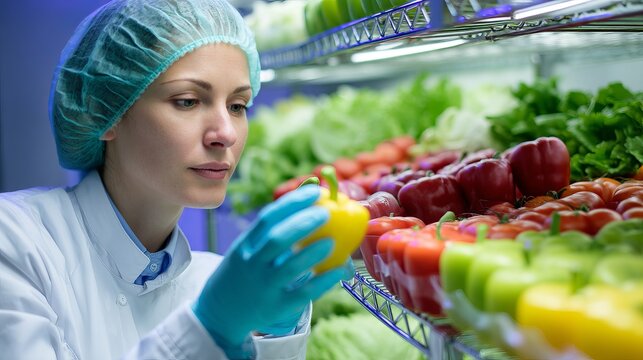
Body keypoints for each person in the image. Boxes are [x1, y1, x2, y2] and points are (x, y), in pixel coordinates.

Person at [0, 0, 353, 359]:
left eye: (237, 106)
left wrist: (274, 334)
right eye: (188, 101)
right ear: (103, 110)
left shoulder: (210, 280)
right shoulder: (15, 242)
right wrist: (210, 327)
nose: (226, 133)